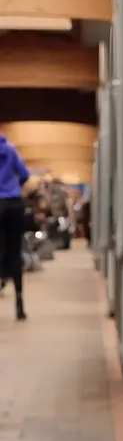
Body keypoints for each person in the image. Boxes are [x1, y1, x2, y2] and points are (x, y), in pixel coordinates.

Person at [0, 135, 29, 320]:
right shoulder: (10, 150)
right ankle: (19, 302)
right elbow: (25, 174)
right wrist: (13, 187)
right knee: (15, 251)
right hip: (13, 203)